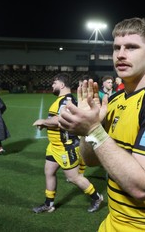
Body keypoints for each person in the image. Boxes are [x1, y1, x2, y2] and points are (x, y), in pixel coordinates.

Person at [58, 17, 145, 231]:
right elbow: (89, 160)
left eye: (131, 47)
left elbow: (142, 186)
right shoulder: (117, 99)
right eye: (116, 48)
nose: (120, 54)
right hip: (113, 222)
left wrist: (93, 130)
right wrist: (88, 126)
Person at [32, 73, 103, 214]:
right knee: (49, 172)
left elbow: (60, 120)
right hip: (54, 146)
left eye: (54, 83)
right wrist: (46, 125)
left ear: (62, 84)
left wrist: (43, 121)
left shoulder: (67, 100)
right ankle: (49, 204)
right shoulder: (62, 100)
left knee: (74, 178)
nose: (52, 85)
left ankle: (96, 198)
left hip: (65, 147)